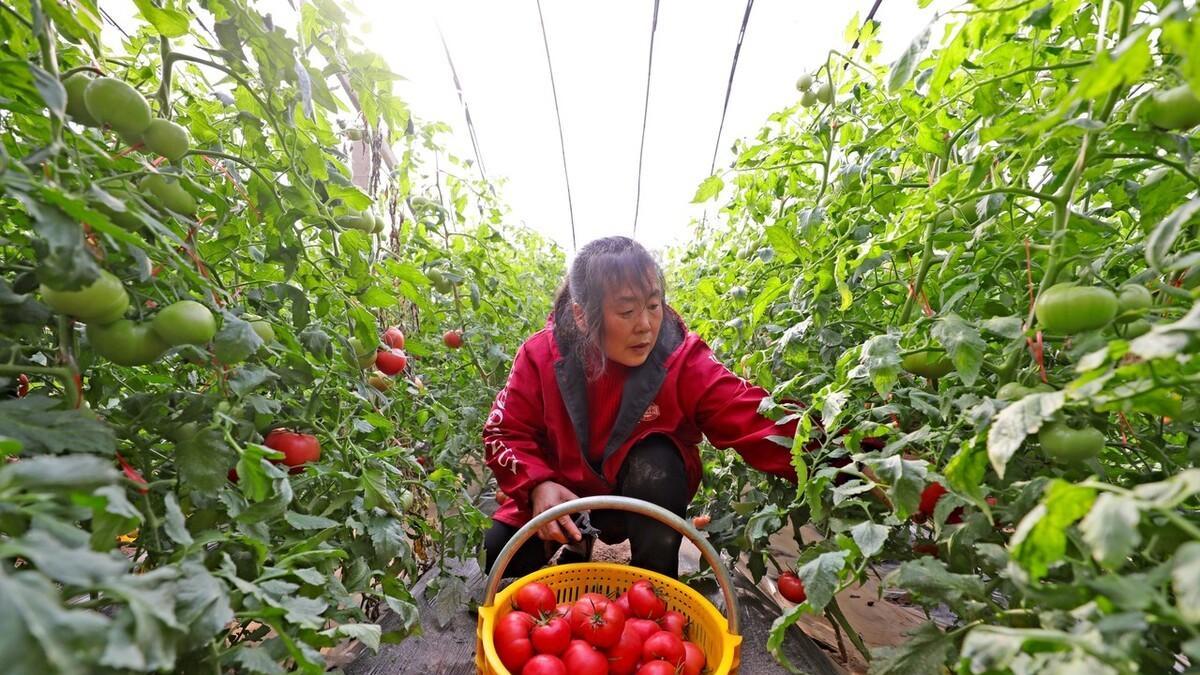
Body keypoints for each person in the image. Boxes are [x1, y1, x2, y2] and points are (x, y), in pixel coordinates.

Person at [482, 236, 803, 579]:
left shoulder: (680, 358)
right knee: (495, 556)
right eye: (627, 311)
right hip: (564, 498)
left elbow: (751, 417)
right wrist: (537, 485)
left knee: (657, 461)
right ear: (580, 315)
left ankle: (653, 582)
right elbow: (505, 430)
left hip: (642, 500)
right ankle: (579, 542)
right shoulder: (540, 356)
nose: (646, 326)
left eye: (653, 305)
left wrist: (847, 454)